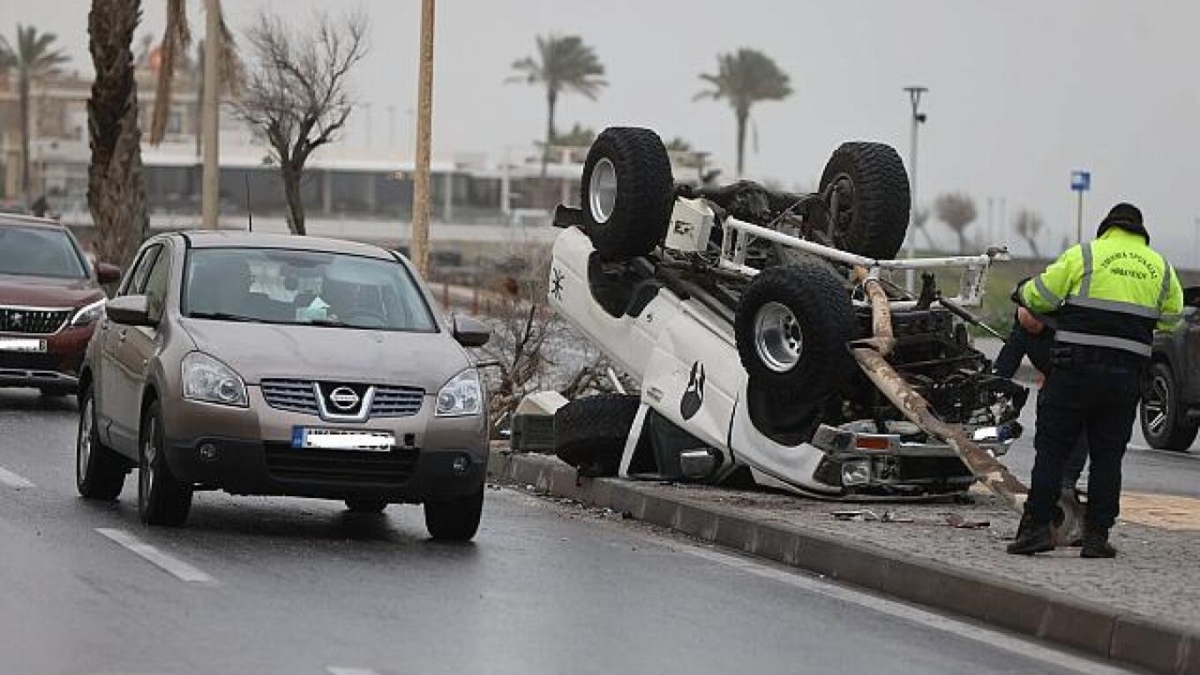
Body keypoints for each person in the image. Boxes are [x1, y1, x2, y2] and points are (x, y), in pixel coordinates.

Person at [1006, 203, 1183, 558]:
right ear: (1140, 231)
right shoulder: (1160, 267)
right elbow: (1173, 317)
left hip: (1074, 373)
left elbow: (1040, 295)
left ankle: (1037, 529)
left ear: (1107, 228)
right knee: (1107, 458)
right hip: (1124, 379)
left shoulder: (1085, 255)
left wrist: (1025, 294)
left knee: (1052, 451)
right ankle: (1097, 537)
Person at [992, 306, 1089, 504]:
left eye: (1035, 327)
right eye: (1026, 327)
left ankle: (1068, 480)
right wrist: (995, 385)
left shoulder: (1064, 324)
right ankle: (1047, 483)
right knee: (1046, 432)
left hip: (1079, 377)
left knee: (1078, 429)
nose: (1030, 331)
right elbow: (1007, 360)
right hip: (1052, 379)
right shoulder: (1022, 328)